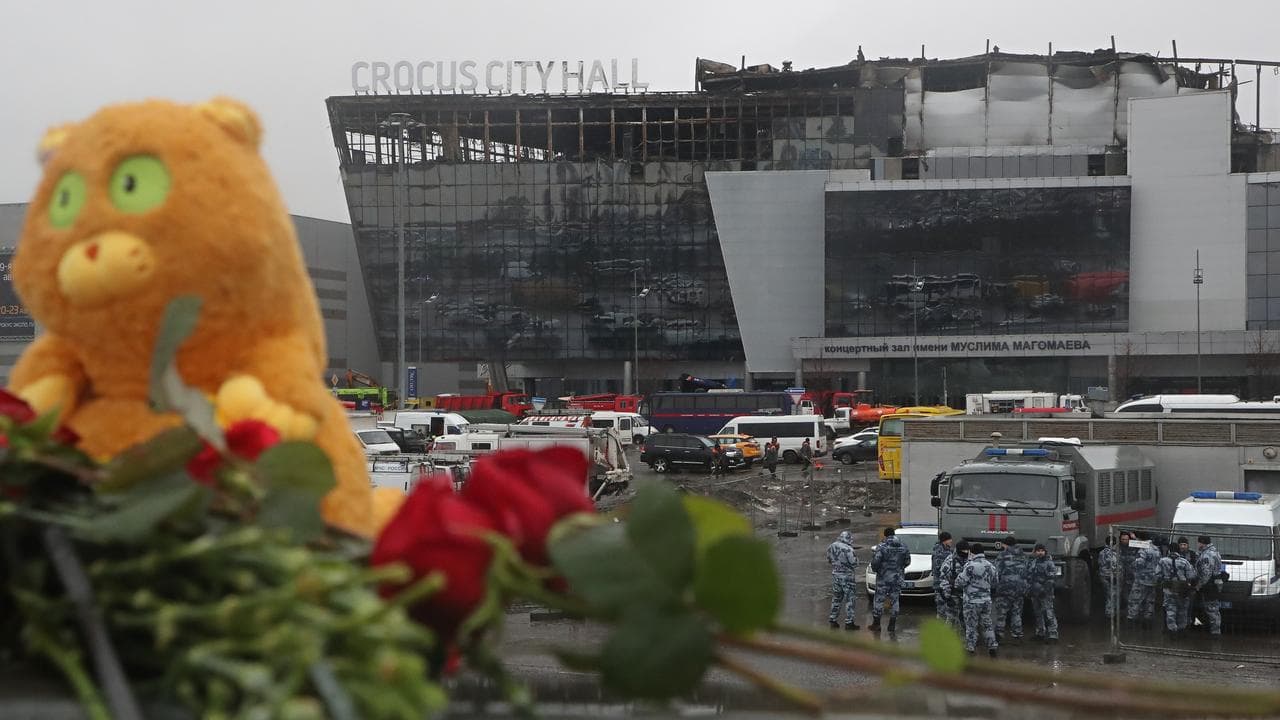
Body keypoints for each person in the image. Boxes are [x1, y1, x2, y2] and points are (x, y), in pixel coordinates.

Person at [956, 542, 999, 657]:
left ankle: (970, 648)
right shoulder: (991, 566)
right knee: (987, 624)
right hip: (986, 601)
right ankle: (992, 646)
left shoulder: (970, 566)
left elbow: (960, 582)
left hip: (972, 601)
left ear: (972, 552)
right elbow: (995, 582)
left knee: (971, 625)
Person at [869, 527, 912, 632]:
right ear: (894, 534)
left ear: (885, 535)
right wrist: (898, 569)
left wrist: (877, 570)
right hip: (897, 578)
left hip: (883, 578)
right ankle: (892, 624)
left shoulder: (882, 546)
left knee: (879, 600)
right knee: (895, 600)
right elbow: (907, 561)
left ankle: (877, 624)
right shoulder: (903, 546)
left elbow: (875, 562)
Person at [992, 535, 1029, 642]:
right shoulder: (1023, 556)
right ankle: (1017, 635)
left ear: (1005, 545)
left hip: (1005, 588)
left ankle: (999, 635)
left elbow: (996, 571)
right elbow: (1027, 571)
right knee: (1017, 613)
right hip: (1019, 589)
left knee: (1001, 613)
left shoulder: (1003, 555)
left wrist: (994, 586)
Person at [1157, 541, 1195, 635]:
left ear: (1169, 550)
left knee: (1170, 610)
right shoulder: (1184, 561)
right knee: (1183, 610)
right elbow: (1191, 576)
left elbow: (1157, 574)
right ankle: (1182, 629)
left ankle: (1172, 630)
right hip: (1182, 589)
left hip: (1168, 588)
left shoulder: (1163, 561)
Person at [826, 530, 860, 630]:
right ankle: (849, 623)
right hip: (847, 577)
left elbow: (829, 559)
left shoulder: (832, 546)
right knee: (850, 600)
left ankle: (833, 619)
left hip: (836, 575)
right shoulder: (848, 549)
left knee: (836, 598)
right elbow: (854, 563)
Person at [1126, 531, 1161, 627]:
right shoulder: (1156, 549)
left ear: (1141, 539)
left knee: (1135, 599)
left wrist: (1132, 564)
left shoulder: (1143, 549)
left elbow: (1139, 562)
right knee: (1150, 601)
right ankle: (1148, 620)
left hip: (1142, 579)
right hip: (1153, 579)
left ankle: (1131, 620)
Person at [1027, 544, 1059, 643]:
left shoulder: (1049, 563)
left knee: (1048, 613)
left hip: (1046, 593)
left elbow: (1053, 577)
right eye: (1038, 551)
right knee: (1038, 613)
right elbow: (1029, 576)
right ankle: (1040, 633)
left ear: (1045, 551)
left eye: (1042, 551)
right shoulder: (1033, 562)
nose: (1040, 553)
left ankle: (1053, 635)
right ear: (1035, 552)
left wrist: (1044, 589)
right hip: (1035, 593)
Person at [1194, 535, 1224, 636]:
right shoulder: (1214, 552)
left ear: (1202, 543)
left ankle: (1215, 633)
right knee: (1212, 609)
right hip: (1213, 584)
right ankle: (1213, 630)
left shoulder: (1207, 555)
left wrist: (1199, 585)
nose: (1197, 544)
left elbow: (1206, 573)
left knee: (1212, 610)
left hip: (1209, 585)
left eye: (1198, 542)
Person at [937, 540, 970, 630]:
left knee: (967, 621)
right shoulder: (950, 561)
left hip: (968, 596)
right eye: (964, 551)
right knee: (951, 620)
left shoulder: (971, 560)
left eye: (967, 551)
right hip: (953, 595)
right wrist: (947, 597)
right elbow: (944, 579)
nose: (966, 553)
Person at [931, 531, 955, 621]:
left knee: (945, 608)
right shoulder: (940, 552)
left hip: (944, 584)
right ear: (945, 541)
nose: (951, 541)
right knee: (941, 608)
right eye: (950, 539)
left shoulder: (946, 550)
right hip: (940, 584)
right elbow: (940, 569)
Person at [1098, 536, 1120, 619]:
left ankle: (1110, 613)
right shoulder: (1112, 553)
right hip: (1110, 577)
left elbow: (1100, 564)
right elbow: (1113, 565)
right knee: (1112, 596)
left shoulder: (1102, 552)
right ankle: (1110, 615)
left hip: (1103, 576)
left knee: (1108, 595)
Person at [1118, 530, 1136, 613]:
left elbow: (1145, 545)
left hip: (1131, 573)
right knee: (1121, 592)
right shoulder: (1117, 547)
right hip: (1121, 574)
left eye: (1126, 539)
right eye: (1122, 539)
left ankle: (1131, 609)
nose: (1124, 541)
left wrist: (1135, 539)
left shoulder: (1133, 545)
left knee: (1132, 591)